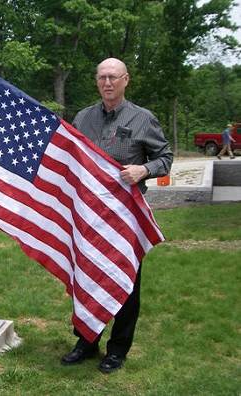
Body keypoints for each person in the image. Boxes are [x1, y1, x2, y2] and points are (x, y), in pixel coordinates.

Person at [63, 57, 173, 373]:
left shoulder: (143, 119)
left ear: (126, 80)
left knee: (125, 283)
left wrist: (145, 169)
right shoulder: (83, 118)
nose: (107, 83)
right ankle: (85, 341)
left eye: (113, 77)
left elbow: (165, 158)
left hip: (125, 220)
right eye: (101, 77)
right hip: (87, 216)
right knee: (86, 280)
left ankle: (117, 349)